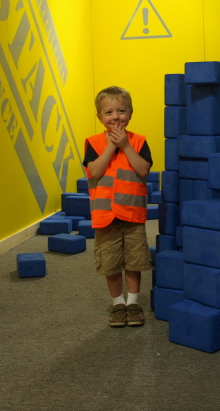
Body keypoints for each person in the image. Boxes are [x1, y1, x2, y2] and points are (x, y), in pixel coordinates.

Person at [83, 86, 153, 327]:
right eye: (109, 112)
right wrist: (111, 146)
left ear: (130, 113)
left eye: (121, 111)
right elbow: (94, 172)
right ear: (100, 117)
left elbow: (143, 170)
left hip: (132, 215)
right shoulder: (93, 143)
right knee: (111, 263)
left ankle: (133, 303)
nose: (116, 117)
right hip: (106, 217)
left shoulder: (138, 141)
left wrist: (125, 145)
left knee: (135, 262)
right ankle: (117, 304)